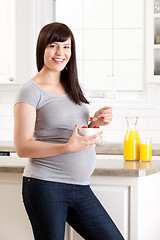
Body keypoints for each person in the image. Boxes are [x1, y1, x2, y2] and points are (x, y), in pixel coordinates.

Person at [14, 22, 124, 240]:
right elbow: (22, 147)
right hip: (46, 186)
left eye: (66, 47)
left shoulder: (73, 85)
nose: (60, 53)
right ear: (42, 49)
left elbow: (73, 131)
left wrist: (96, 123)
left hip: (80, 188)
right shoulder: (30, 91)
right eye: (53, 46)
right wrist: (67, 147)